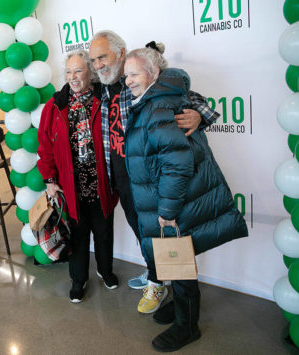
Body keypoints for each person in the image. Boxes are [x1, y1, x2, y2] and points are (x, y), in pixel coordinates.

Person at [122, 45, 248, 351]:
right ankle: (182, 309)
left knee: (177, 263)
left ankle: (187, 326)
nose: (128, 81)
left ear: (153, 74)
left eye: (134, 74)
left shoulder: (157, 107)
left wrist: (166, 209)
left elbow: (177, 164)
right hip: (173, 200)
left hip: (172, 204)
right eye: (126, 75)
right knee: (177, 261)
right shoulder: (155, 100)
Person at [88, 31, 220, 314]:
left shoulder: (141, 77)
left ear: (121, 53)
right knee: (143, 233)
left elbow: (189, 96)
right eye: (93, 60)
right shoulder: (100, 87)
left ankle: (160, 283)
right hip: (121, 178)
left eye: (103, 57)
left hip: (148, 178)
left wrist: (198, 115)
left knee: (164, 235)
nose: (97, 65)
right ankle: (156, 275)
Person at [37, 50, 118, 303]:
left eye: (79, 71)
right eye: (69, 71)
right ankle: (78, 280)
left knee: (104, 232)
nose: (73, 77)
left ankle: (105, 271)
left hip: (101, 184)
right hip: (70, 187)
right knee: (78, 237)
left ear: (90, 73)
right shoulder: (54, 105)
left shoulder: (103, 98)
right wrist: (50, 180)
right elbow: (45, 147)